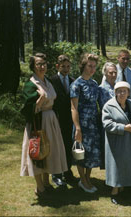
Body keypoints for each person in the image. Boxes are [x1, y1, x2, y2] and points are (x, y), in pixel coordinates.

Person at [20, 53, 68, 196]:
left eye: (44, 63)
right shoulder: (31, 84)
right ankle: (40, 186)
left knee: (49, 151)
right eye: (38, 64)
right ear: (33, 67)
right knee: (38, 152)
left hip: (51, 120)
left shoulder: (47, 81)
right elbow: (26, 108)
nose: (42, 66)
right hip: (38, 122)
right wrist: (38, 101)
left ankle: (47, 182)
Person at [102, 81, 131, 205]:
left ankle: (124, 188)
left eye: (124, 91)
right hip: (115, 141)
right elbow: (107, 124)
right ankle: (114, 192)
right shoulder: (109, 106)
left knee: (127, 164)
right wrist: (123, 128)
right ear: (115, 92)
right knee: (116, 166)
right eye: (119, 91)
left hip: (128, 141)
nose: (121, 93)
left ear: (128, 92)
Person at [70, 53, 101, 193]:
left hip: (93, 124)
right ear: (83, 65)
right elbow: (73, 108)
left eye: (94, 66)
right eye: (89, 66)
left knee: (92, 153)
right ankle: (82, 180)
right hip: (81, 124)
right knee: (80, 153)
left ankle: (88, 178)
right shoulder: (77, 84)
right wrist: (77, 128)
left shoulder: (94, 84)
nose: (92, 69)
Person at [50, 54, 76, 186]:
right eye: (63, 66)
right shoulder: (51, 81)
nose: (66, 69)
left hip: (69, 120)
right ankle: (56, 173)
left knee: (67, 146)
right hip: (56, 118)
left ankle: (67, 171)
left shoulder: (73, 80)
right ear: (57, 66)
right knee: (56, 146)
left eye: (68, 66)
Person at [99, 62, 118, 169]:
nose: (113, 75)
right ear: (105, 73)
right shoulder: (101, 89)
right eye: (111, 72)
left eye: (115, 72)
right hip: (107, 124)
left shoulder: (118, 87)